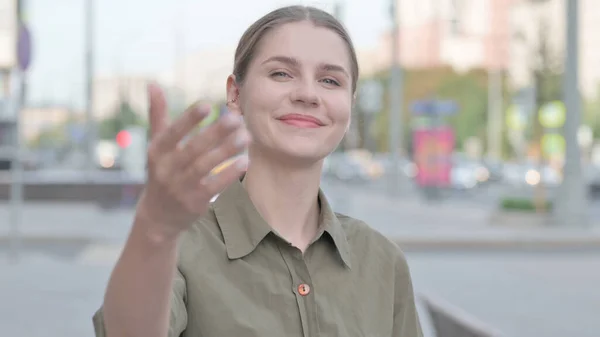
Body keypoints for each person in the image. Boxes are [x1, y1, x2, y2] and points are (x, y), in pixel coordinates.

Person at [93, 5, 422, 337]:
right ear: (235, 93)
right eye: (281, 73)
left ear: (349, 105)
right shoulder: (179, 247)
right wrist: (154, 229)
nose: (308, 94)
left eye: (329, 80)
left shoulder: (382, 261)